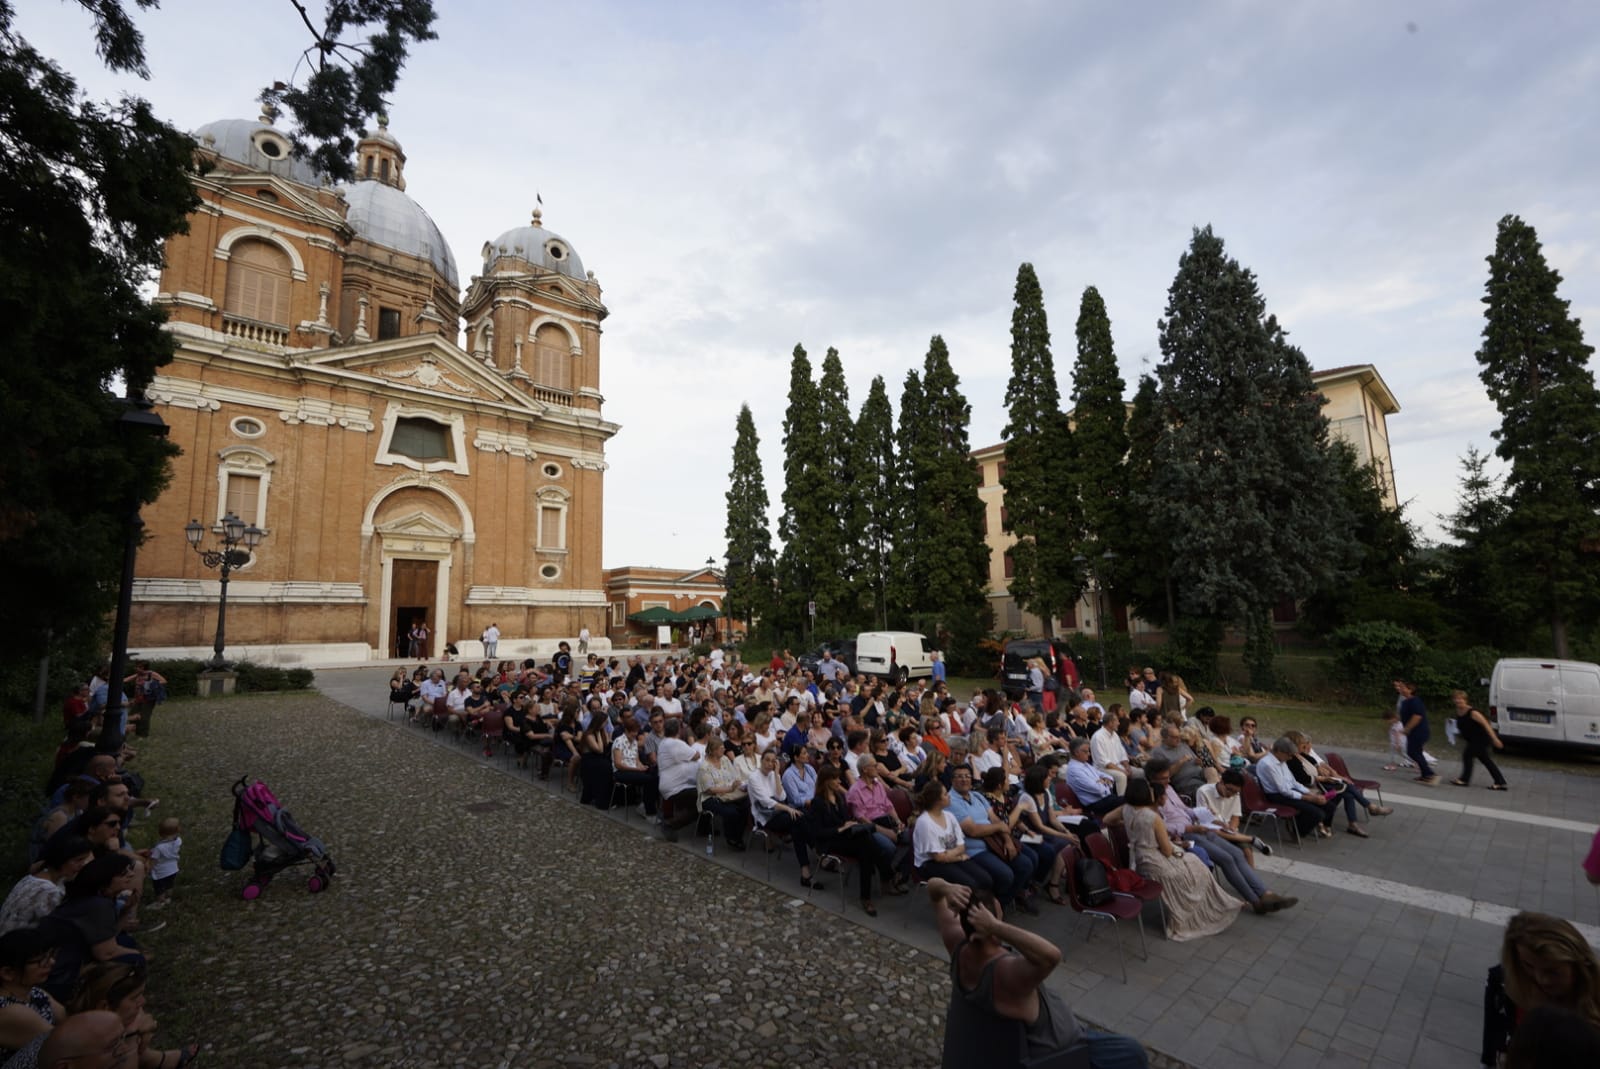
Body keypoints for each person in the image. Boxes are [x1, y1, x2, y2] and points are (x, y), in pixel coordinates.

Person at [930, 880, 1148, 1069]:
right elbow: (1051, 956)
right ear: (988, 925)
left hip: (1032, 1028)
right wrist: (996, 926)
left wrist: (946, 887)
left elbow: (933, 888)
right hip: (1061, 1048)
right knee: (1132, 1052)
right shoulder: (1005, 974)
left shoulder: (958, 944)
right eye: (998, 914)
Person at [1143, 760, 1295, 916]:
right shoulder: (1148, 796)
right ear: (1152, 778)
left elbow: (1185, 810)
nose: (1168, 781)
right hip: (1184, 834)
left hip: (1199, 827)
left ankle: (1266, 894)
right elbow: (1158, 825)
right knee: (1226, 858)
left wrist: (1206, 815)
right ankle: (1255, 901)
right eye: (1163, 778)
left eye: (1168, 777)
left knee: (1237, 854)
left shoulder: (1168, 789)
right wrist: (1189, 828)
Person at [1120, 778, 1241, 941]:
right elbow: (1167, 850)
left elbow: (1107, 820)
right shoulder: (1152, 817)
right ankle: (1204, 910)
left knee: (1195, 862)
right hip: (1154, 859)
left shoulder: (1126, 809)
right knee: (1194, 867)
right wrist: (1177, 846)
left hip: (1139, 856)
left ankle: (1217, 903)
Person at [1482, 911, 1600, 1067]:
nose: (1541, 979)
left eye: (1552, 971)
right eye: (1528, 965)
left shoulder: (1593, 1008)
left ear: (1578, 965)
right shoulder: (1505, 986)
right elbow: (1492, 1044)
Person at [69, 961, 198, 1069]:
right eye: (135, 997)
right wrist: (132, 1034)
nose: (143, 1001)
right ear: (105, 1006)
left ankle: (158, 1060)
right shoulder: (92, 1052)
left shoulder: (96, 1020)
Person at [946, 767, 1039, 914]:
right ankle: (993, 909)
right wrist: (1000, 827)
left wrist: (1007, 840)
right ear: (952, 780)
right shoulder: (951, 801)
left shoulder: (977, 796)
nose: (964, 779)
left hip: (995, 841)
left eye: (967, 776)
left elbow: (995, 819)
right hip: (974, 849)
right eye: (959, 776)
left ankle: (1005, 900)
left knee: (1028, 862)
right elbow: (973, 830)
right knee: (1006, 875)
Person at [810, 765, 900, 916]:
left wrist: (850, 824)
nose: (839, 781)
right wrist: (841, 828)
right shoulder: (818, 803)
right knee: (867, 848)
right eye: (835, 779)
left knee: (866, 844)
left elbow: (845, 819)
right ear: (826, 782)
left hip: (846, 836)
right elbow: (818, 833)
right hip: (831, 840)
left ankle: (869, 895)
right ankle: (887, 877)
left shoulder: (839, 798)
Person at [746, 750, 822, 888]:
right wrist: (788, 809)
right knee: (799, 818)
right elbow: (765, 802)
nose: (769, 764)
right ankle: (817, 849)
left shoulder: (773, 775)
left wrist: (776, 774)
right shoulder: (753, 778)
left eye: (773, 761)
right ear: (761, 761)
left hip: (779, 812)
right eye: (767, 760)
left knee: (797, 826)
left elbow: (781, 797)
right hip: (765, 816)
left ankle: (805, 872)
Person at [0, 838, 93, 938]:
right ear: (62, 859)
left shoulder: (33, 878)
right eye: (78, 860)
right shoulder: (50, 892)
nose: (82, 865)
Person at [0, 928, 65, 1061]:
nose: (51, 963)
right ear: (8, 973)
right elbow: (65, 1045)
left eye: (50, 956)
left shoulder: (37, 993)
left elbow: (66, 1020)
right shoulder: (11, 1011)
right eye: (40, 961)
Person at [695, 737, 748, 851]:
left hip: (729, 794)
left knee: (746, 805)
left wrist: (738, 784)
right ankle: (731, 837)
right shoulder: (704, 767)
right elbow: (709, 790)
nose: (724, 749)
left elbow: (734, 775)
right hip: (710, 798)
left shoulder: (724, 759)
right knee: (732, 812)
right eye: (721, 748)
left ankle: (737, 836)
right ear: (713, 750)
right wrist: (729, 789)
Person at [1451, 690, 1508, 789]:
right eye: (1456, 699)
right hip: (1472, 739)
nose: (1458, 701)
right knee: (1485, 760)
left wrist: (1495, 739)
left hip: (1481, 739)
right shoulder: (1458, 711)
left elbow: (1486, 725)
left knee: (1467, 755)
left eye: (1460, 699)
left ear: (1465, 700)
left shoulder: (1473, 712)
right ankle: (1500, 782)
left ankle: (1465, 779)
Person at [1063, 739, 1124, 821]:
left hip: (1105, 798)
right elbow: (1098, 789)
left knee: (1133, 798)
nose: (1089, 754)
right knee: (1130, 801)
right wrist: (1104, 783)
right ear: (1076, 752)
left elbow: (1108, 777)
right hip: (1095, 804)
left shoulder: (1085, 764)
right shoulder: (1074, 770)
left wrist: (1102, 781)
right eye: (1086, 751)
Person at [1395, 679, 1438, 785]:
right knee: (1416, 752)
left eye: (1403, 687)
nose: (1401, 689)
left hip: (1419, 731)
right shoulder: (1406, 701)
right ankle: (1425, 775)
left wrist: (1407, 729)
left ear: (1410, 690)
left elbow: (1417, 716)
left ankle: (1429, 773)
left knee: (1412, 752)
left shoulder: (1415, 701)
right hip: (1413, 733)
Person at [145, 819, 181, 907]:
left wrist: (148, 868)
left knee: (159, 888)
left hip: (161, 872)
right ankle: (168, 898)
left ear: (161, 833)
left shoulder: (159, 848)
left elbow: (154, 860)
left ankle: (160, 902)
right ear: (177, 831)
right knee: (169, 884)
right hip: (173, 869)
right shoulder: (178, 841)